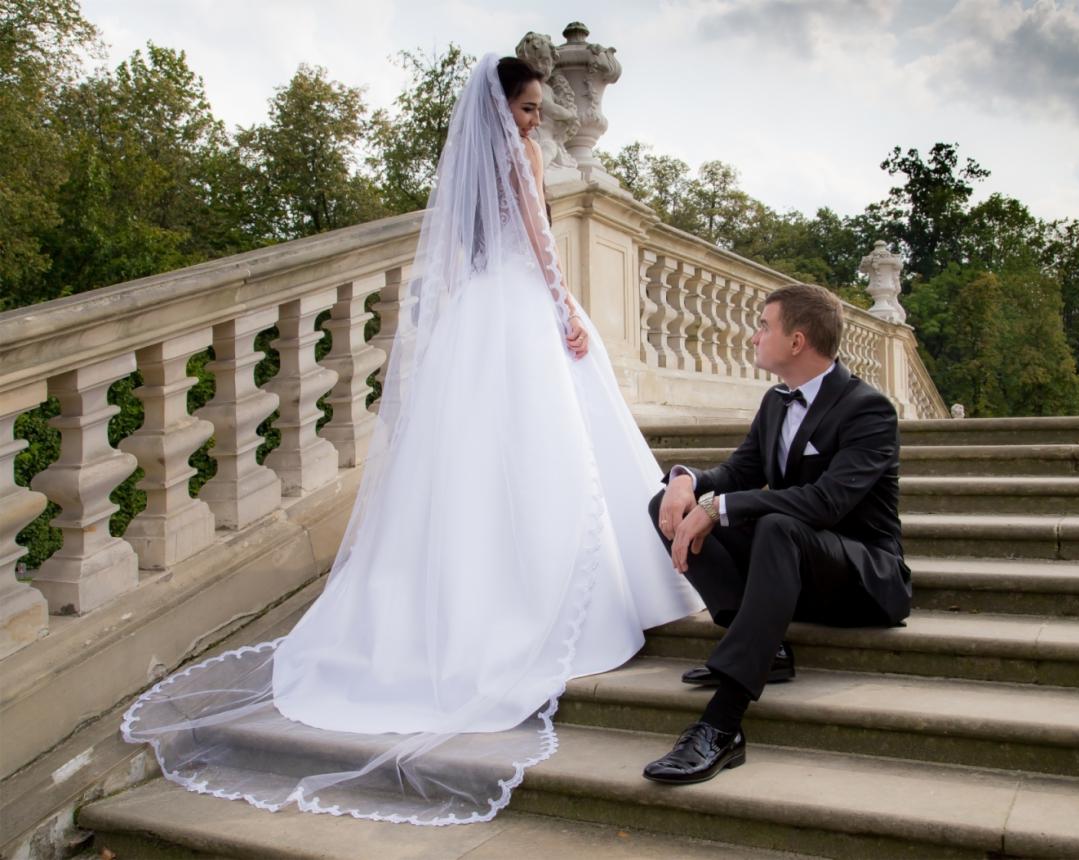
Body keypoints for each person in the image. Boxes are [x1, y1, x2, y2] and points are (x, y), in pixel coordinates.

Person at [121, 54, 701, 825]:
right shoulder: (521, 157)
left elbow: (465, 253)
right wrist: (564, 312)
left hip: (476, 317)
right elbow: (539, 242)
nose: (533, 123)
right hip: (524, 309)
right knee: (546, 456)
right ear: (507, 110)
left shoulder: (468, 163)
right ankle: (555, 593)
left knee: (469, 469)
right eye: (528, 109)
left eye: (536, 112)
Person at [641, 284, 911, 785]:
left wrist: (720, 508)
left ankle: (722, 726)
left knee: (776, 524)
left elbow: (826, 503)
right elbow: (738, 472)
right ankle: (771, 648)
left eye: (764, 326)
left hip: (861, 577)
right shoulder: (776, 402)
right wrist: (687, 481)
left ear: (797, 341)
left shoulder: (868, 409)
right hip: (790, 568)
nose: (752, 336)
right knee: (669, 506)